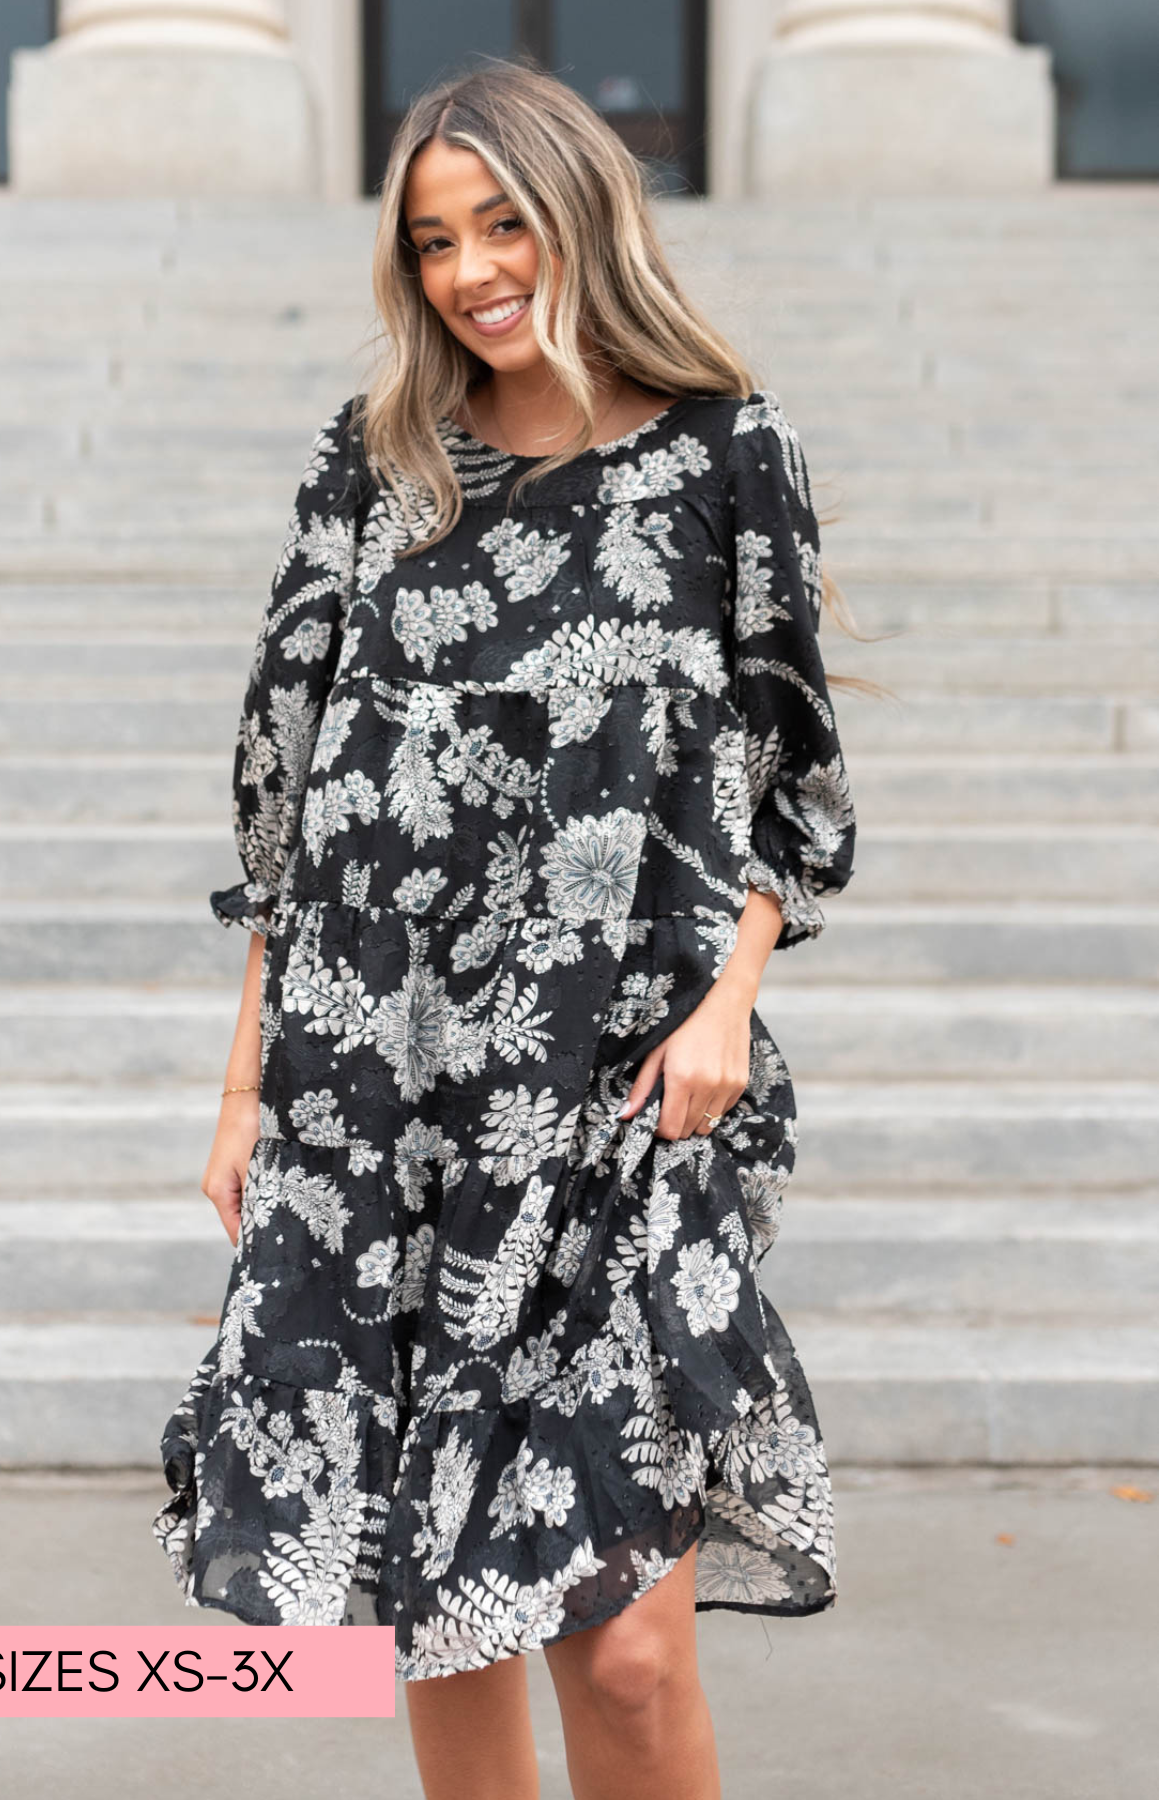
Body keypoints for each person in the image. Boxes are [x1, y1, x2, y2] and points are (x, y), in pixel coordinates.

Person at [152, 56, 858, 1800]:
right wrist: (246, 1092)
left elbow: (790, 770)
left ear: (580, 213)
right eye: (435, 240)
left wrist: (724, 1000)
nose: (472, 269)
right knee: (433, 1598)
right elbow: (292, 808)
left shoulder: (724, 452)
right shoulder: (375, 461)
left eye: (503, 223)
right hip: (379, 1095)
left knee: (620, 1654)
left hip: (624, 1095)